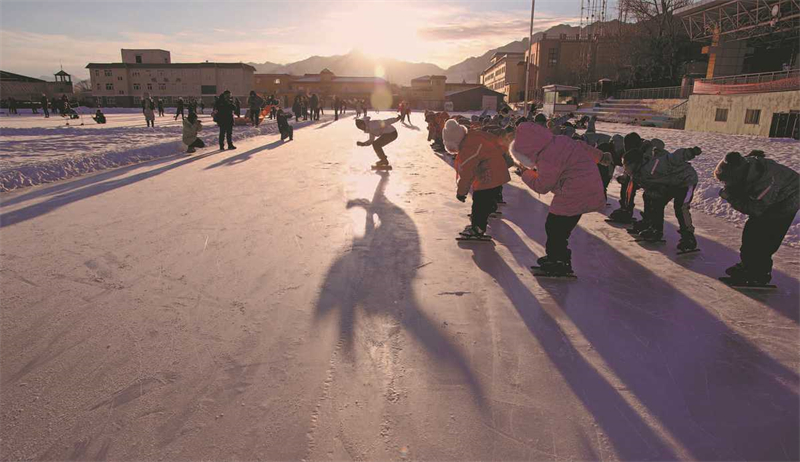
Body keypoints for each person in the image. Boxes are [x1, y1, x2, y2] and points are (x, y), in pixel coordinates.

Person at [510, 121, 607, 274]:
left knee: (555, 228)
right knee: (558, 227)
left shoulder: (547, 157)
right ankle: (556, 257)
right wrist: (600, 157)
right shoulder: (559, 140)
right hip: (586, 185)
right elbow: (581, 146)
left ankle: (559, 261)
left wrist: (525, 174)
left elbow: (542, 186)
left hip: (575, 192)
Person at [714, 150, 799, 284]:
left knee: (765, 238)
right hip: (773, 193)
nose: (726, 184)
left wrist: (731, 197)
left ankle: (759, 274)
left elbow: (754, 209)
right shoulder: (744, 166)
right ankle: (748, 266)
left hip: (789, 199)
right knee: (751, 231)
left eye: (727, 181)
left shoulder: (765, 182)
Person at [622, 132, 700, 251]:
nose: (626, 170)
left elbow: (674, 158)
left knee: (680, 207)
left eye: (627, 166)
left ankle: (688, 237)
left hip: (685, 180)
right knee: (657, 202)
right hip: (671, 183)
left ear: (635, 164)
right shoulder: (639, 174)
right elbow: (647, 188)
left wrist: (690, 152)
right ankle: (655, 230)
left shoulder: (655, 165)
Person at [441, 119, 512, 239]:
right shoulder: (473, 136)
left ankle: (477, 228)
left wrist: (461, 193)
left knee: (479, 201)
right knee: (487, 198)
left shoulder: (468, 148)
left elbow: (467, 174)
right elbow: (495, 141)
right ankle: (490, 208)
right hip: (497, 169)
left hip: (489, 175)